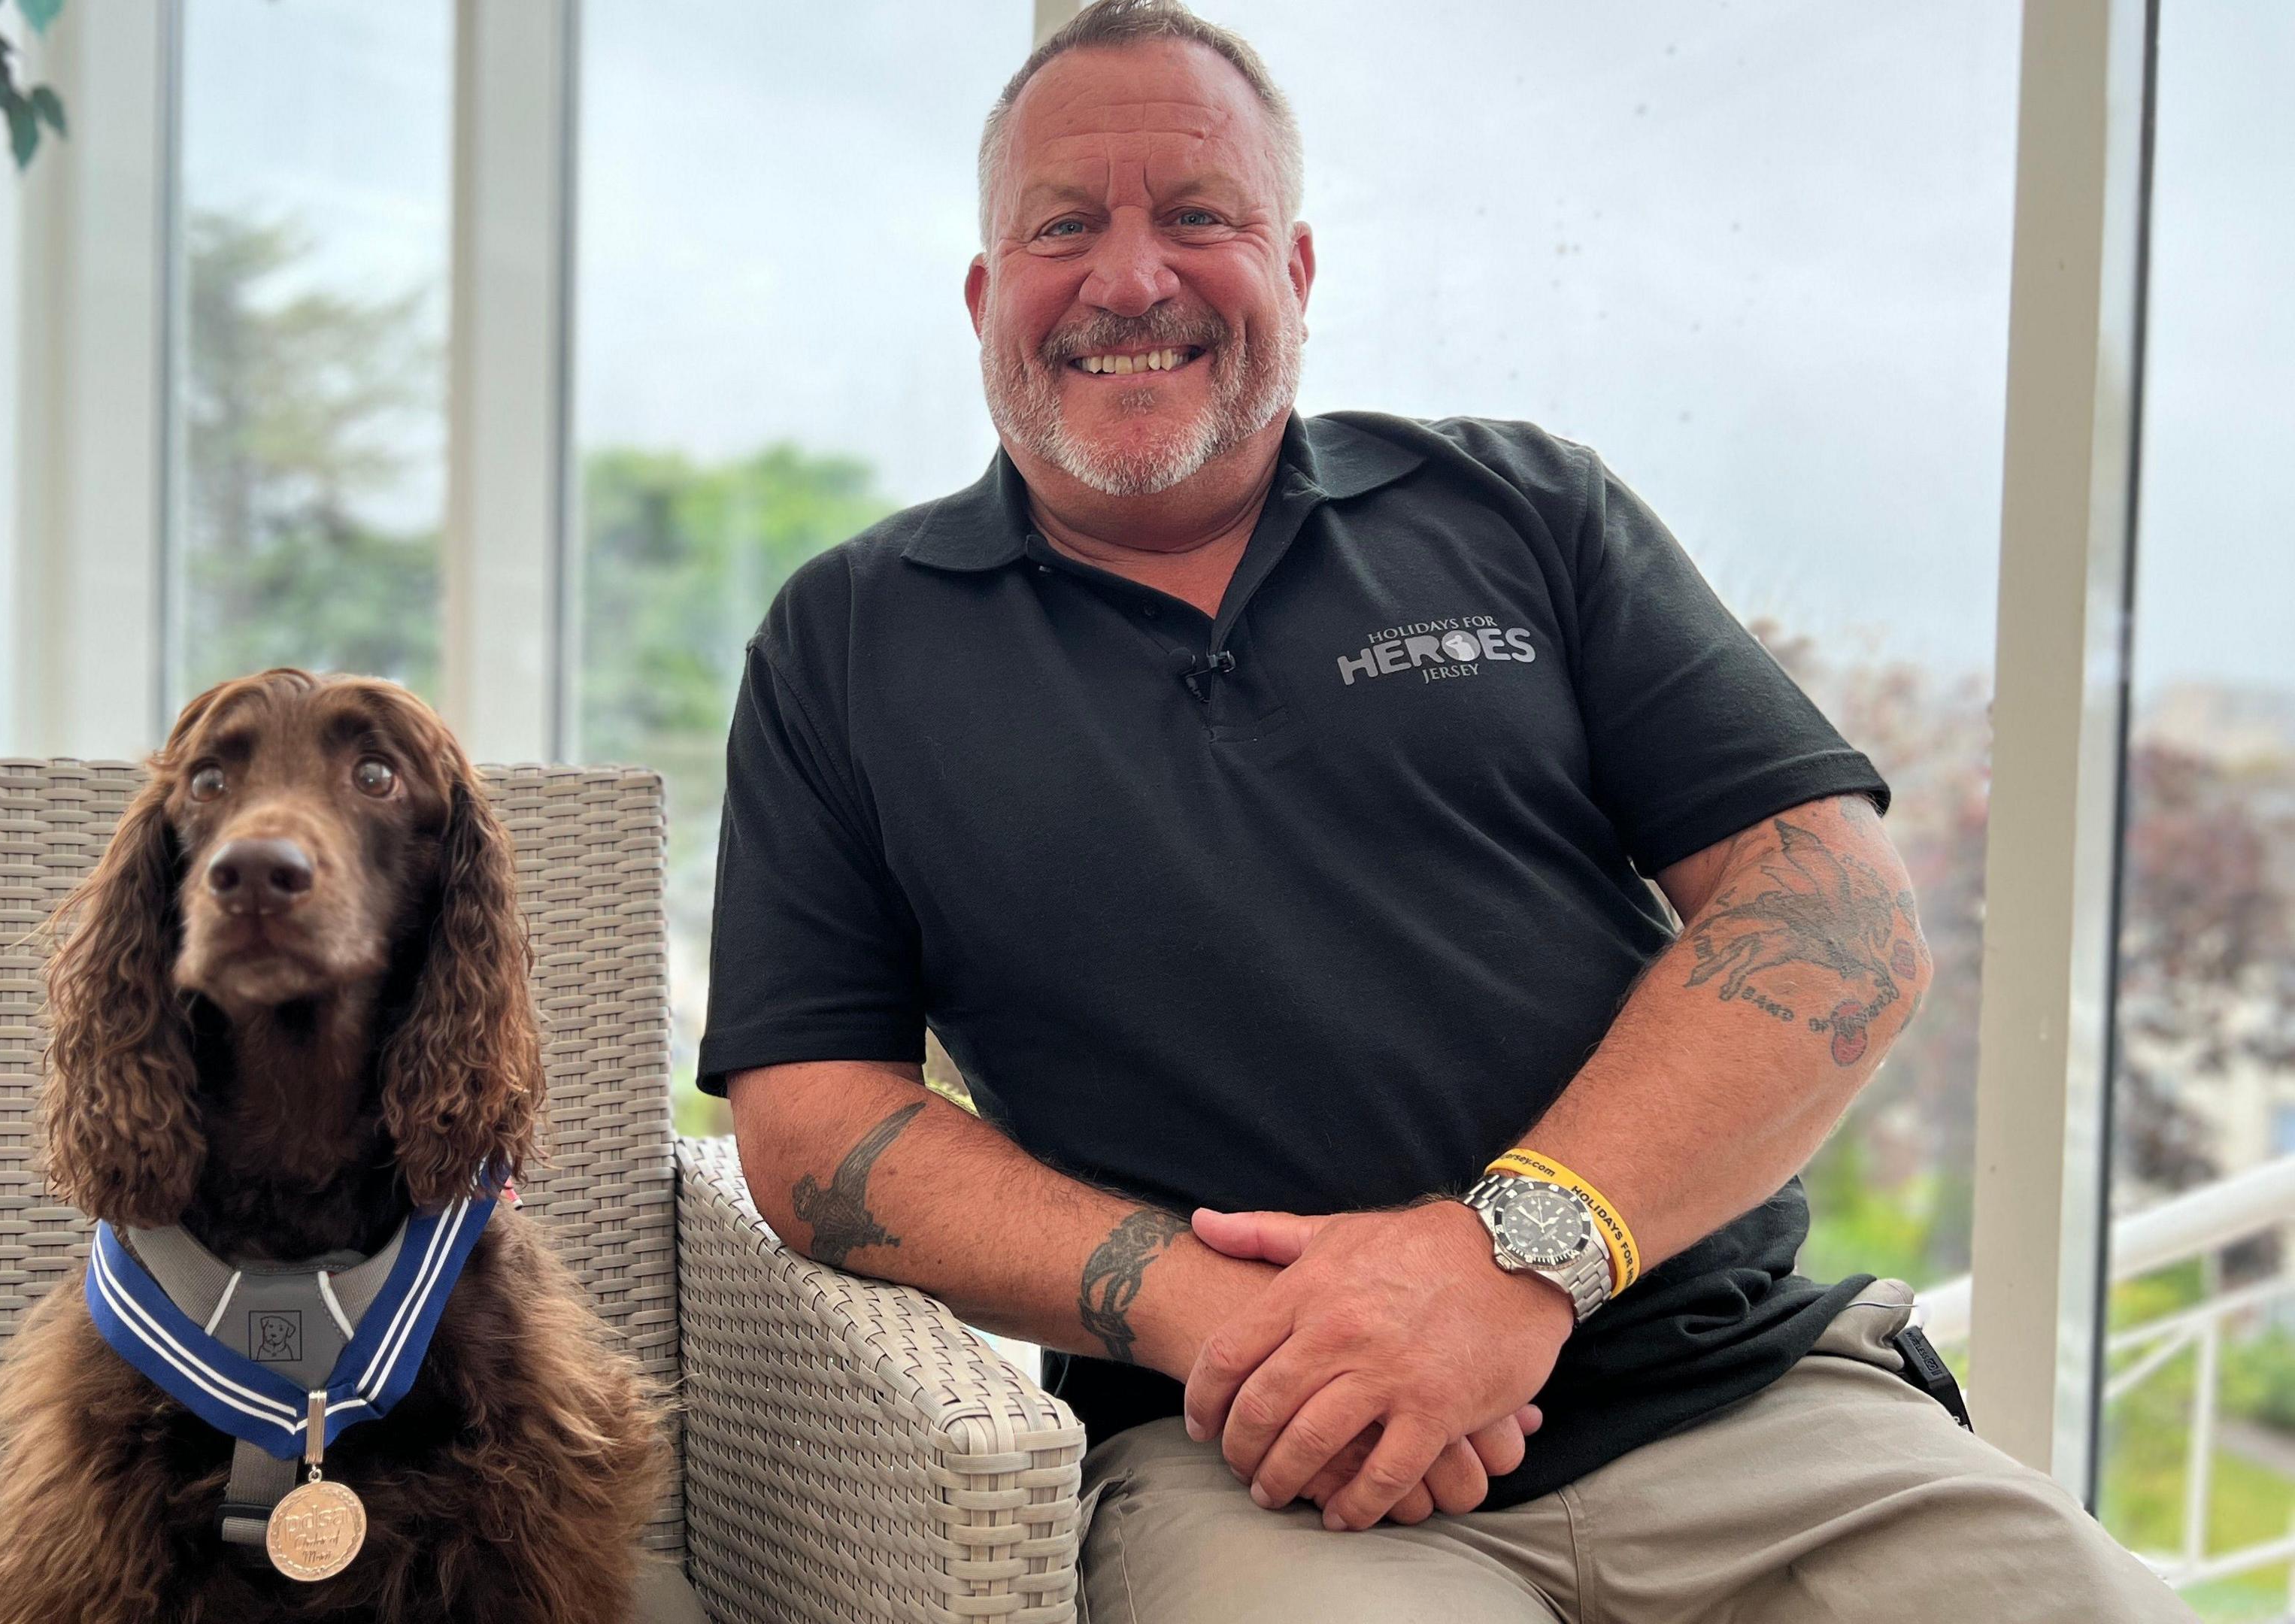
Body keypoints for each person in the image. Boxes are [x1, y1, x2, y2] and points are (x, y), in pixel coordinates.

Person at [698, 2, 2191, 1619]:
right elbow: (809, 1123)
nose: (1131, 278)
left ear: (1300, 273)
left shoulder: (1522, 509)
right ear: (990, 295)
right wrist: (1219, 1314)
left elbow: (1834, 910)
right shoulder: (847, 642)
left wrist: (1503, 1269)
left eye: (1201, 216)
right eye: (1068, 227)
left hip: (1739, 1398)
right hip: (1243, 1455)